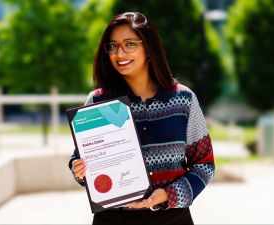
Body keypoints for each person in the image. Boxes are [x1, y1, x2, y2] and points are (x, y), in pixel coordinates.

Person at [68, 12, 215, 225]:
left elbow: (204, 164)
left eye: (129, 44)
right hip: (113, 219)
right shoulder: (98, 102)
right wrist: (78, 170)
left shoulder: (183, 100)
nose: (120, 53)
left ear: (148, 48)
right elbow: (79, 160)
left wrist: (167, 195)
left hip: (172, 219)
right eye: (113, 46)